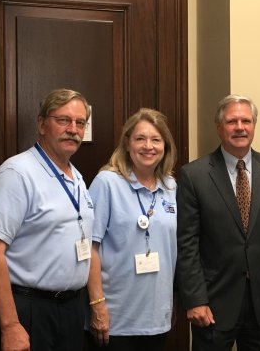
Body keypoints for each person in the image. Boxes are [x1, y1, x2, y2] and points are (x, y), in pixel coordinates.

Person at [176, 94, 260, 351]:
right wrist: (194, 299)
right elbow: (187, 243)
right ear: (219, 127)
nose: (240, 127)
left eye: (246, 120)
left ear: (254, 125)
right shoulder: (194, 175)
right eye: (232, 121)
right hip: (212, 303)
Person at [0, 88, 93, 350]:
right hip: (27, 310)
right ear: (42, 124)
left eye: (80, 123)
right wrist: (10, 325)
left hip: (70, 308)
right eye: (63, 120)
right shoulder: (16, 174)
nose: (73, 129)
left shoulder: (76, 177)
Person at [85, 108, 178, 351]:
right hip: (115, 319)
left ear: (165, 146)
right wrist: (97, 305)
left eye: (156, 139)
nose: (148, 146)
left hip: (158, 317)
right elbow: (90, 248)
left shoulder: (171, 186)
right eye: (140, 138)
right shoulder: (107, 182)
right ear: (127, 144)